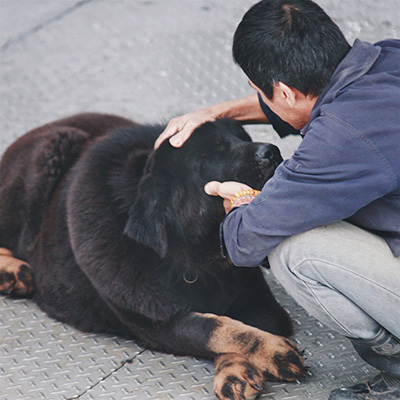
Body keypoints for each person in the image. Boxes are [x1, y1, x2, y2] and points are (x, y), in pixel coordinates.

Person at [155, 0, 400, 399]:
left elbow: (246, 241)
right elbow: (313, 104)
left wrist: (244, 202)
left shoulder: (340, 140)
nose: (261, 99)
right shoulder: (389, 57)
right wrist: (219, 112)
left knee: (291, 249)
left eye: (259, 91)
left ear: (283, 90)